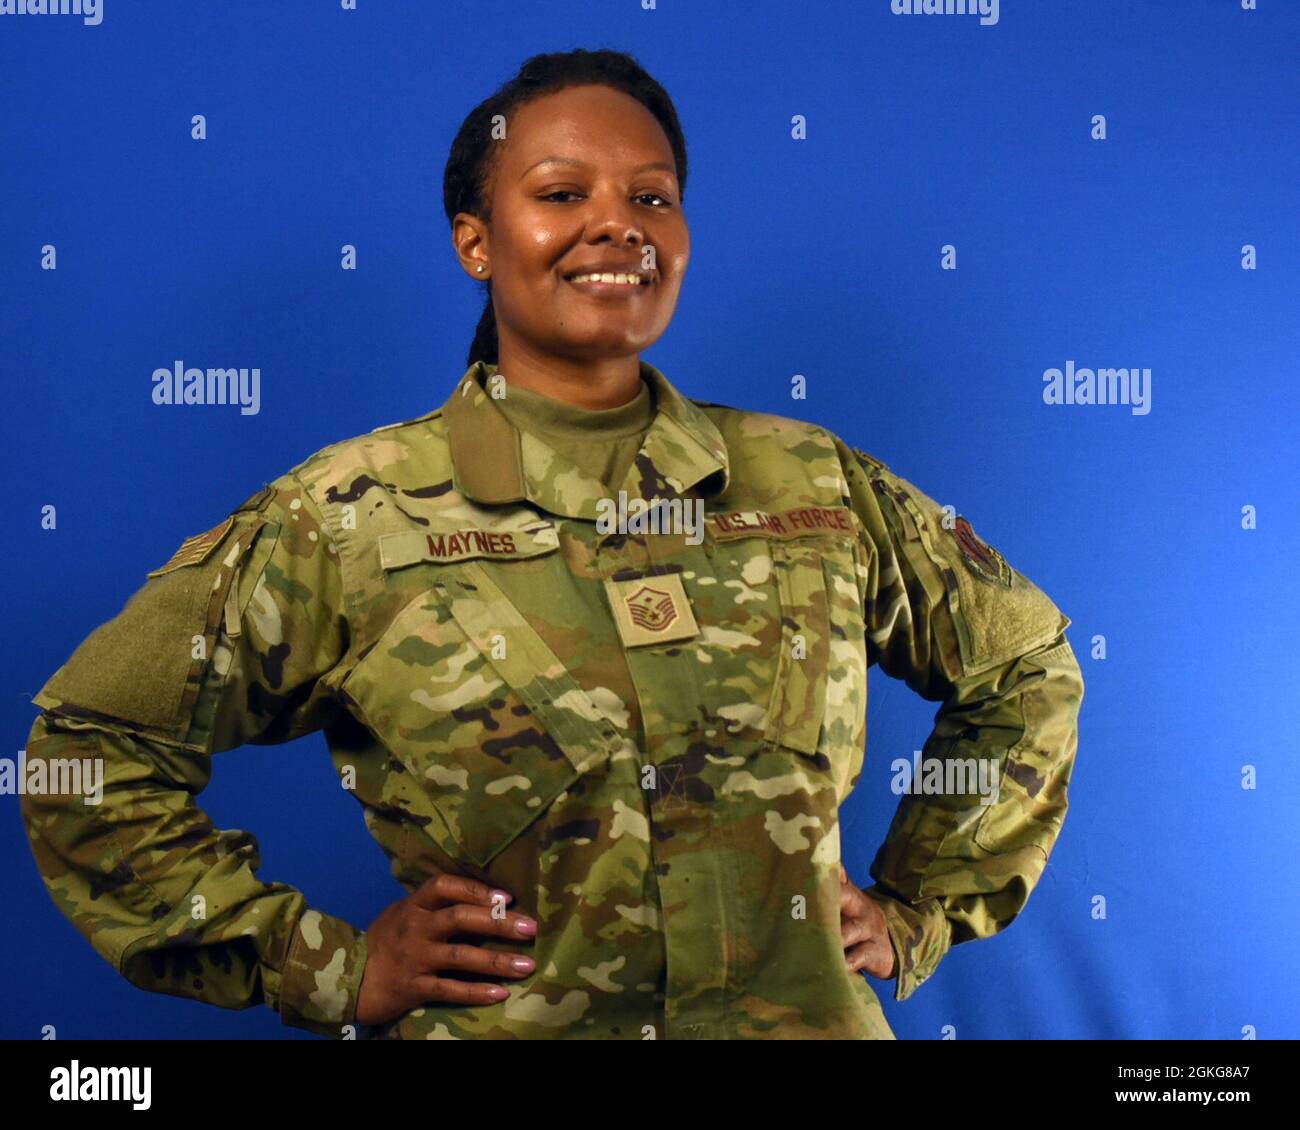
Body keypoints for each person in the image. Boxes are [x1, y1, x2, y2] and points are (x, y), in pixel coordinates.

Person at [20, 48, 1083, 1040]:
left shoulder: (809, 480)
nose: (617, 226)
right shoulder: (350, 514)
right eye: (562, 193)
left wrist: (916, 906)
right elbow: (83, 756)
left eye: (651, 197)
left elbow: (1022, 666)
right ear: (475, 239)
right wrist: (325, 964)